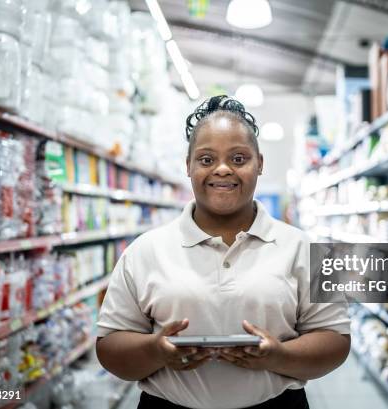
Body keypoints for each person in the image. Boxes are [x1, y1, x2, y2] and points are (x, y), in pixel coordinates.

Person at [96, 95, 351, 409]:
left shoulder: (305, 248)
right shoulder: (145, 251)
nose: (222, 170)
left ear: (260, 163)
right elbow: (109, 346)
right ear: (188, 166)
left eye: (239, 159)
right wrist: (156, 350)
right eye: (206, 160)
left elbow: (335, 339)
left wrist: (279, 356)